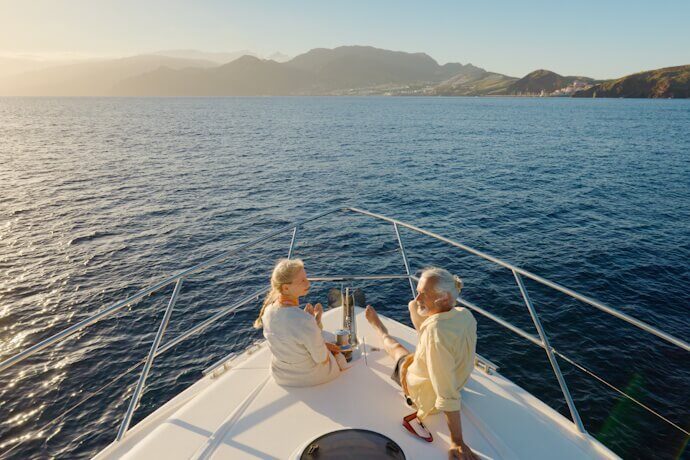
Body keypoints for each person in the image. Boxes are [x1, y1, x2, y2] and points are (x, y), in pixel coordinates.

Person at [365, 267, 479, 460]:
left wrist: (457, 441)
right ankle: (421, 341)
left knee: (395, 349)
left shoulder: (436, 334)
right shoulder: (465, 315)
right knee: (411, 306)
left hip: (425, 396)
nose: (418, 298)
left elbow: (446, 393)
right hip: (457, 378)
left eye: (423, 294)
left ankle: (379, 328)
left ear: (443, 298)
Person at [254, 258, 343, 387]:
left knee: (306, 338)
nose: (308, 283)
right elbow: (321, 359)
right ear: (285, 288)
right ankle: (316, 324)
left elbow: (288, 338)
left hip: (280, 375)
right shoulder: (303, 320)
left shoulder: (267, 312)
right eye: (302, 281)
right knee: (340, 354)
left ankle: (316, 326)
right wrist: (325, 346)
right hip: (310, 378)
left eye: (306, 278)